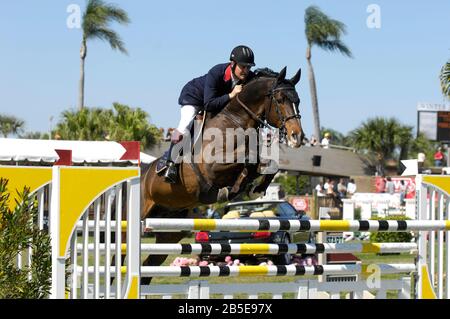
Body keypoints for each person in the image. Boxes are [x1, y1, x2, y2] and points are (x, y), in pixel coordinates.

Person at [161, 45, 256, 183]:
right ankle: (170, 163)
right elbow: (209, 104)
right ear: (233, 64)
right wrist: (231, 95)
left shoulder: (247, 76)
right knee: (185, 124)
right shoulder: (217, 72)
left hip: (214, 101)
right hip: (194, 97)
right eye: (243, 67)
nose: (246, 71)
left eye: (249, 67)